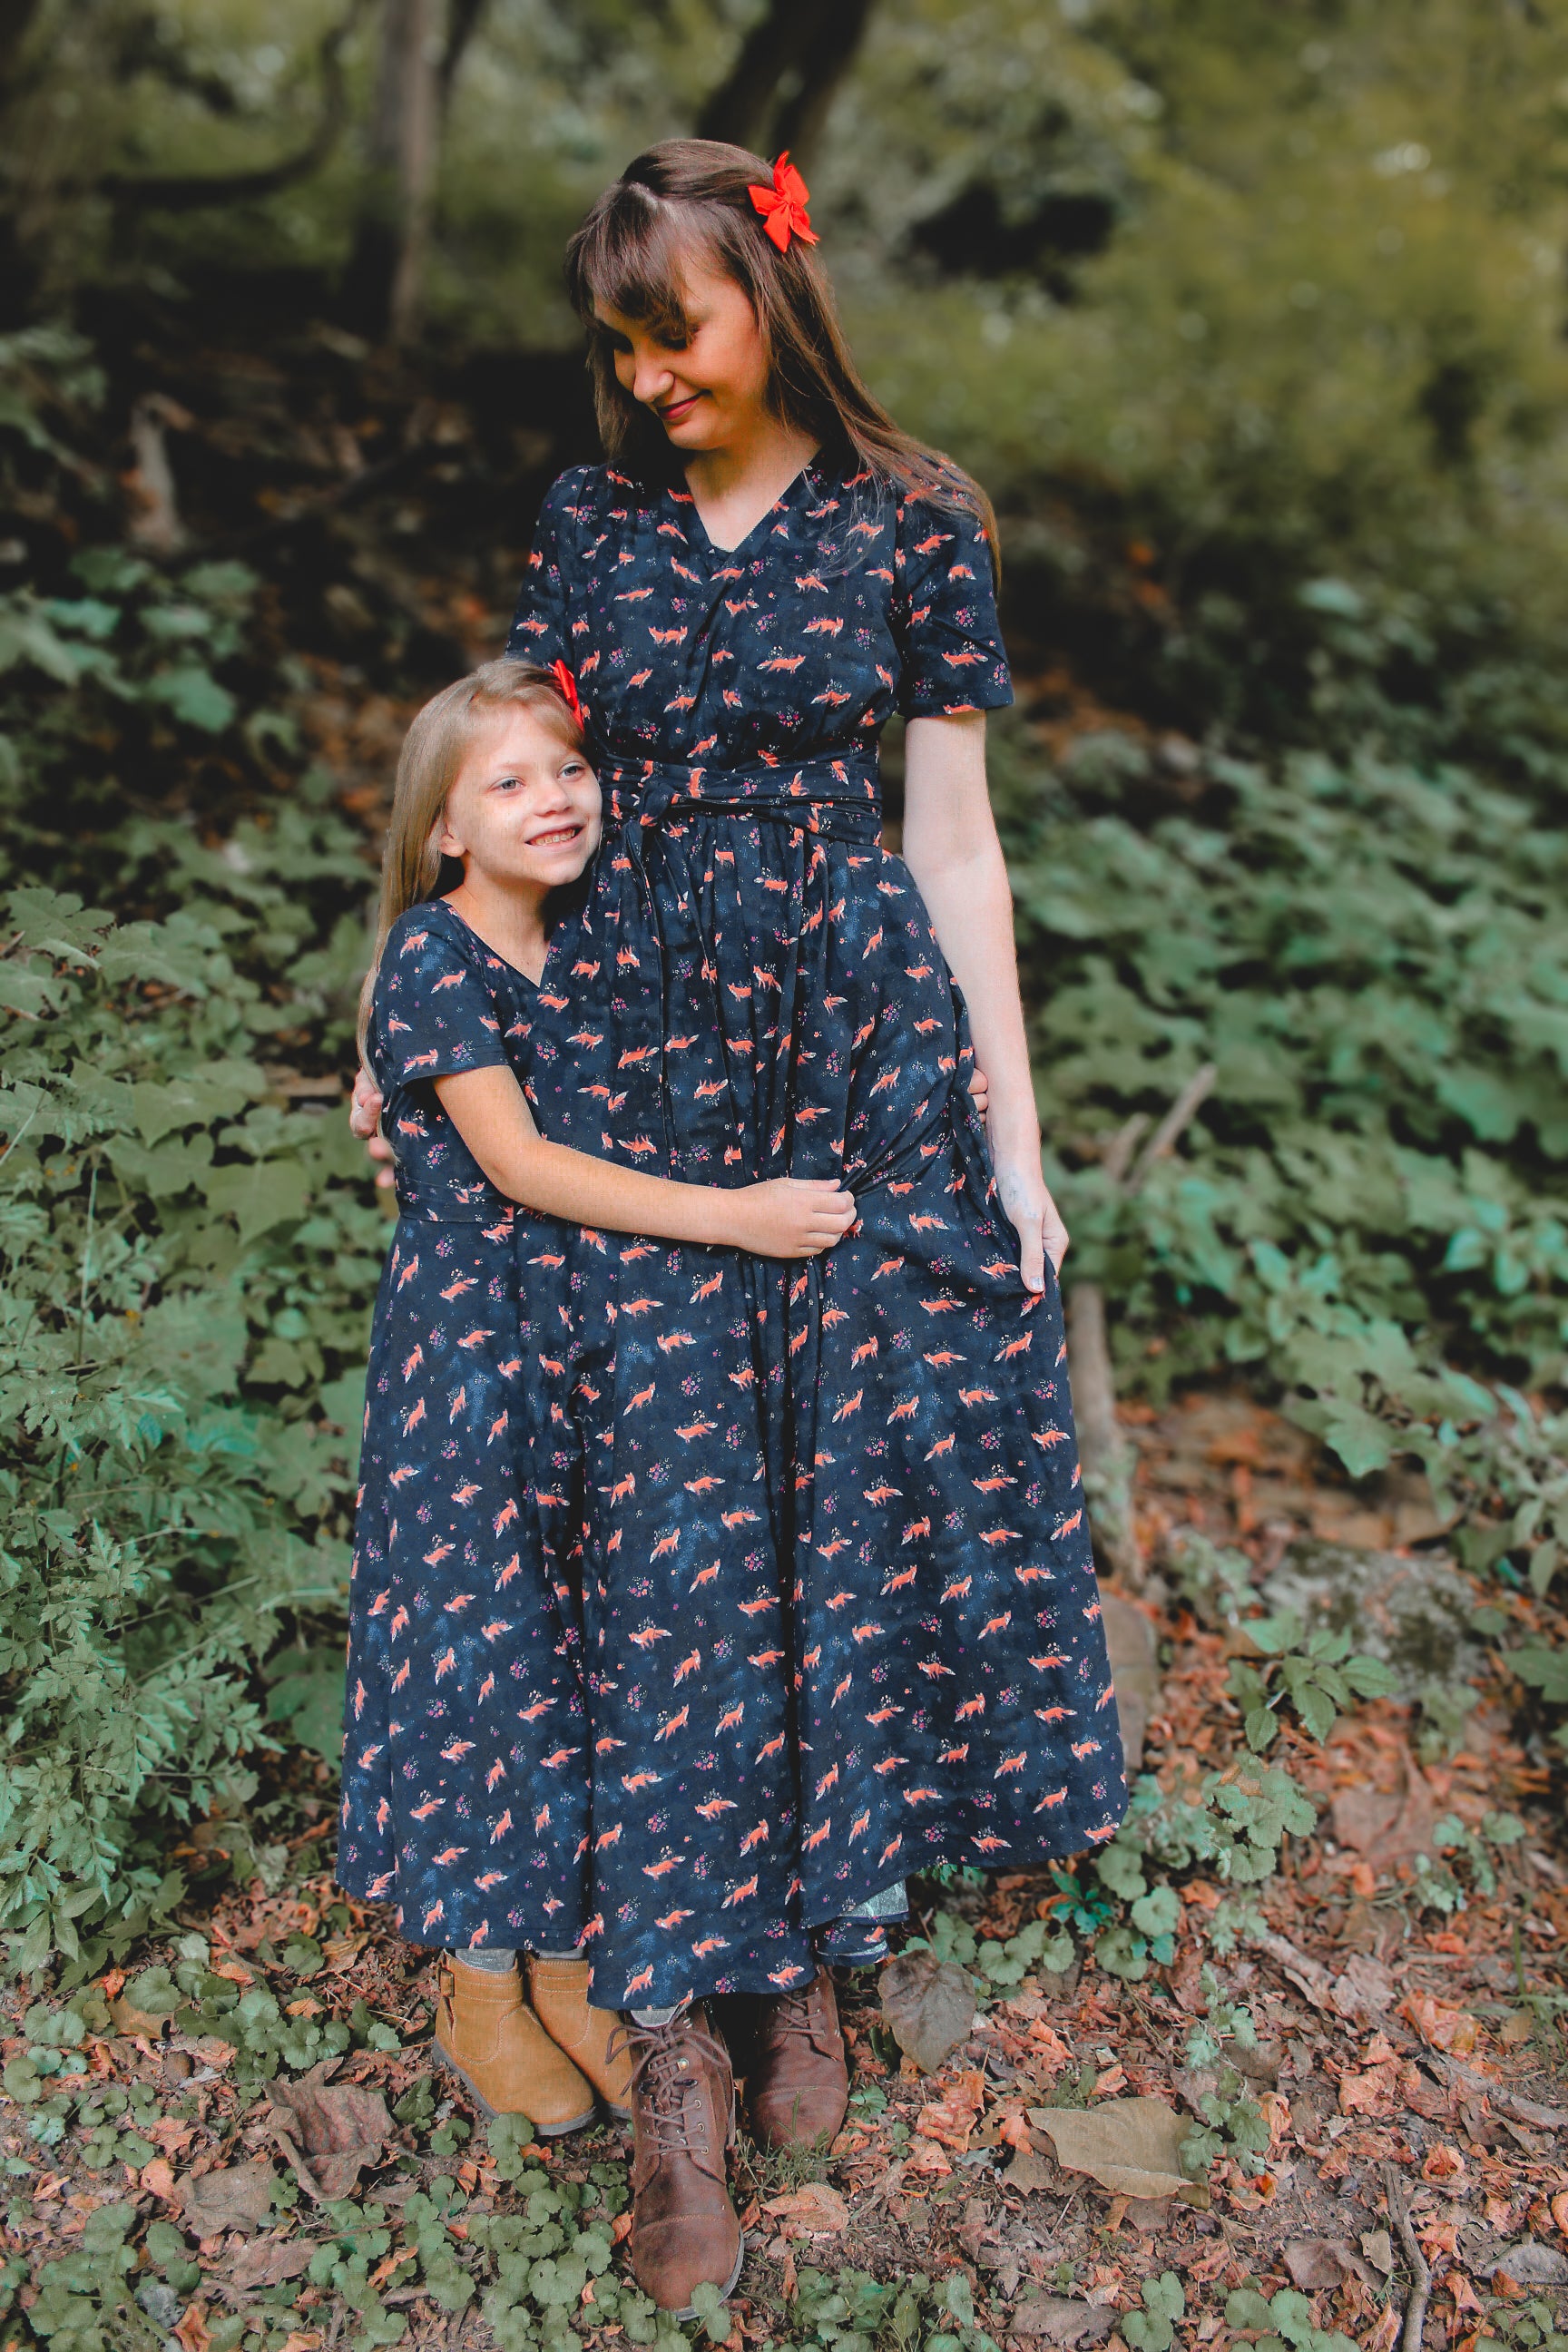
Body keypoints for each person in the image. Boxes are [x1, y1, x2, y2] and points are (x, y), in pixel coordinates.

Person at [352, 139, 1126, 2316]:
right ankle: (674, 2030)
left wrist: (1016, 1130)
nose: (641, 374)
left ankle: (815, 1953)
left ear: (767, 293)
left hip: (855, 1030)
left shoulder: (918, 519)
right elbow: (497, 785)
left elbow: (954, 846)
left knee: (844, 1473)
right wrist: (401, 1031)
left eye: (665, 328)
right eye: (612, 341)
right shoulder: (590, 525)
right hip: (627, 1043)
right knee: (668, 1500)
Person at [338, 658, 858, 2183]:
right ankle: (476, 1984)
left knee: (575, 1648)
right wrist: (739, 1221)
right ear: (442, 829)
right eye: (508, 782)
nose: (552, 798)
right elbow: (520, 1168)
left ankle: (561, 1956)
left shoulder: (592, 939)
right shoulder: (434, 957)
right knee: (486, 1651)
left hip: (593, 1360)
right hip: (481, 1359)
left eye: (567, 769)